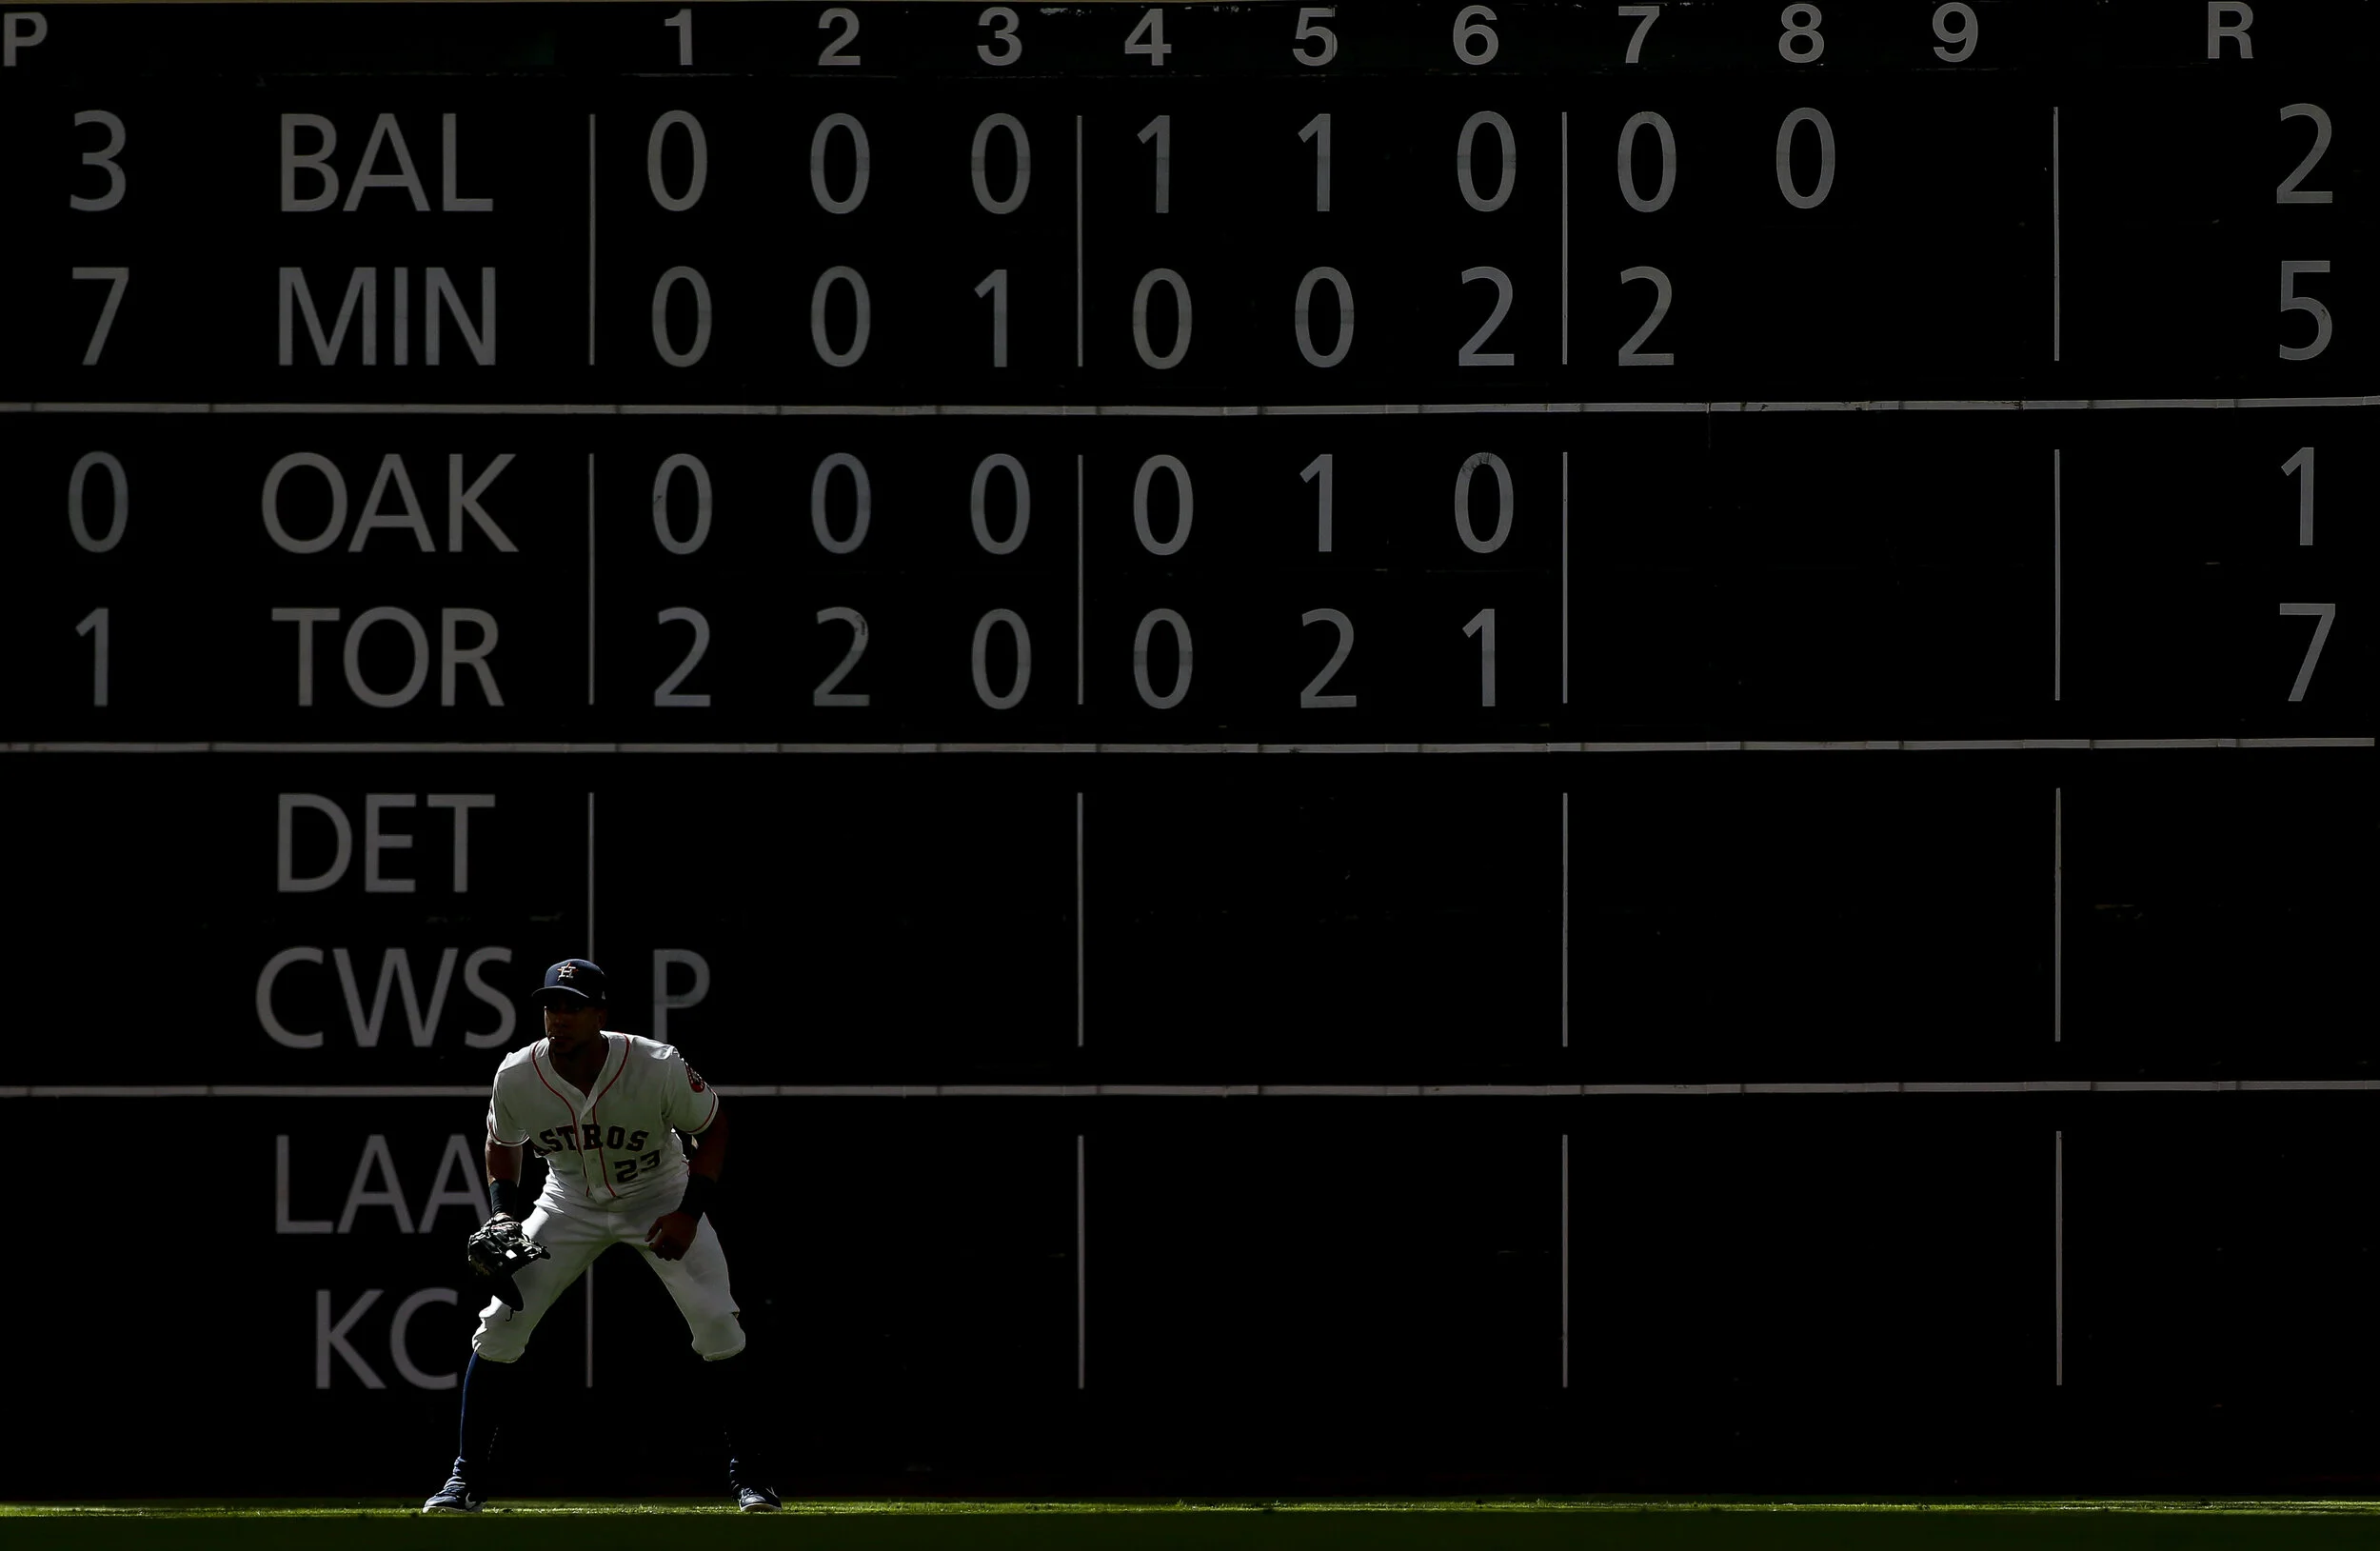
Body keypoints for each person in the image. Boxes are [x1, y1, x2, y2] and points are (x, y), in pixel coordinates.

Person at [422, 957, 778, 1513]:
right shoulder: (518, 1073)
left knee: (716, 1321)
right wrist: (501, 1214)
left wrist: (688, 1213)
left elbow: (713, 1128)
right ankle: (465, 1480)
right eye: (551, 1006)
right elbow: (502, 1141)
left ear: (600, 1013)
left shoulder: (656, 1064)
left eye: (573, 1006)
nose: (559, 1017)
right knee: (500, 1325)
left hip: (660, 1194)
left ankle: (752, 1477)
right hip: (568, 1202)